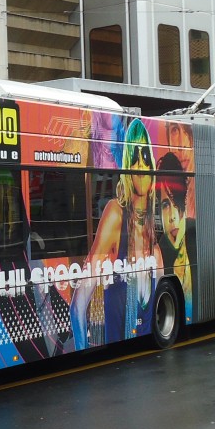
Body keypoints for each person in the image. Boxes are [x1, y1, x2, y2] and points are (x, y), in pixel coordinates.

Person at [69, 118, 159, 349]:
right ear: (126, 168)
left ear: (152, 171)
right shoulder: (115, 214)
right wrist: (82, 350)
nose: (140, 166)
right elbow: (78, 304)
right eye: (134, 159)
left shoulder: (155, 249)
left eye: (145, 159)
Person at [156, 152, 194, 322]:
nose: (171, 216)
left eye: (175, 202)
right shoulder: (158, 254)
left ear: (184, 201)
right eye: (165, 205)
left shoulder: (198, 235)